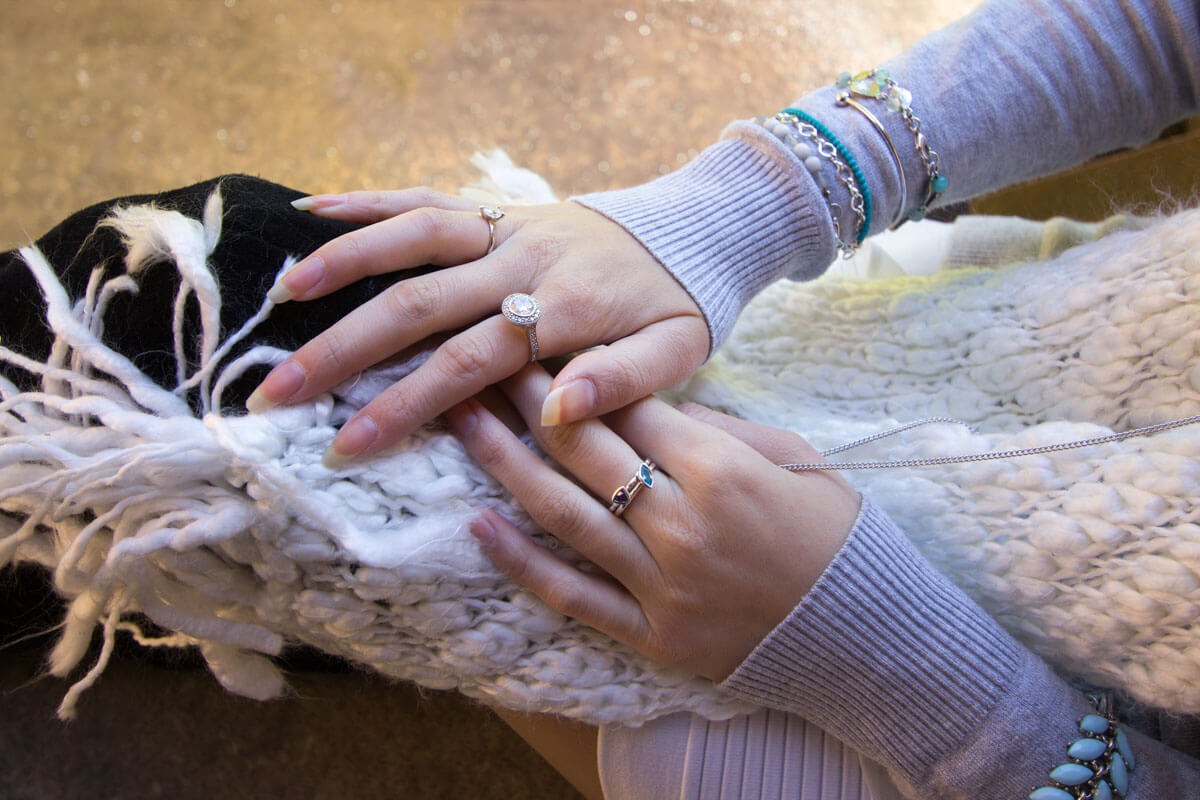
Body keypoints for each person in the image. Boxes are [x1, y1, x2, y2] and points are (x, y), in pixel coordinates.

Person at [3, 0, 1198, 798]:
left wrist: (878, 648)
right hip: (1043, 339)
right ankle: (241, 574)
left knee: (238, 383)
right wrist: (754, 200)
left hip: (1008, 741)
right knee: (268, 292)